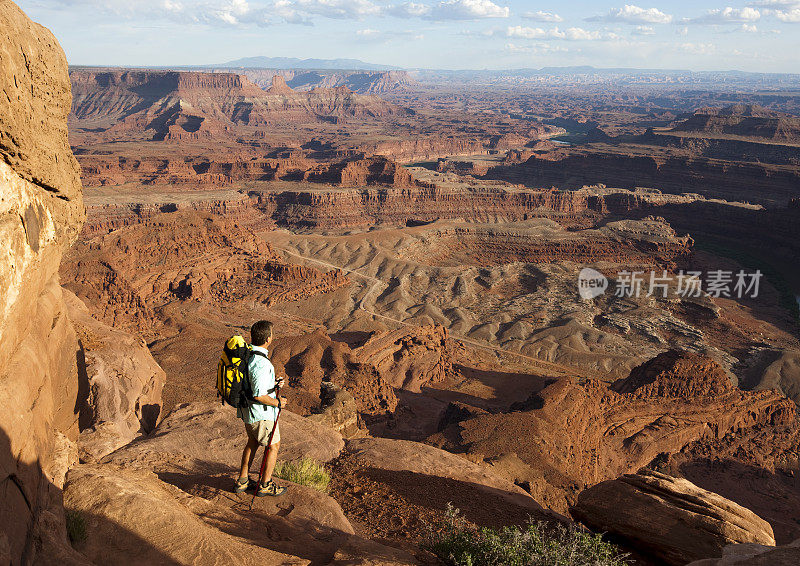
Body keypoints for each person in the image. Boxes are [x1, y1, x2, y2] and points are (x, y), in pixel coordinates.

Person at [234, 320, 288, 496]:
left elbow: (254, 384)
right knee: (273, 445)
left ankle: (243, 480)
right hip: (260, 413)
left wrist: (273, 384)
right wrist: (278, 403)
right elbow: (258, 395)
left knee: (253, 442)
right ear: (268, 339)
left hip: (249, 412)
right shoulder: (261, 362)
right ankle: (265, 484)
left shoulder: (249, 355)